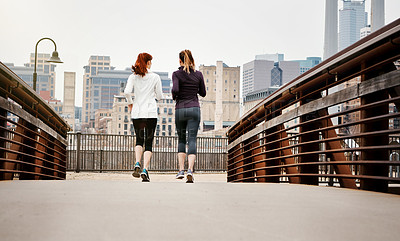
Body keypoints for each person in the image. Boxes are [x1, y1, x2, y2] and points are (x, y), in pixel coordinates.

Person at [124, 53, 163, 182]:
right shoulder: (155, 77)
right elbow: (160, 96)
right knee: (149, 142)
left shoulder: (133, 77)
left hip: (137, 112)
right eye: (150, 61)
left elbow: (127, 92)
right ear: (147, 63)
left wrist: (130, 102)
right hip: (150, 113)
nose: (151, 63)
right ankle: (145, 169)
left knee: (139, 139)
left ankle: (137, 163)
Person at [171, 50, 206, 183]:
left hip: (180, 109)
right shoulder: (198, 75)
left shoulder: (176, 74)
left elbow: (175, 90)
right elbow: (203, 93)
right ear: (192, 60)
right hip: (194, 109)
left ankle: (181, 170)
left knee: (181, 139)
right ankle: (190, 170)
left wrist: (175, 96)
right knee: (192, 139)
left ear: (180, 61)